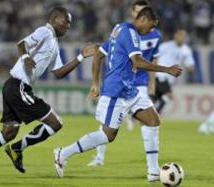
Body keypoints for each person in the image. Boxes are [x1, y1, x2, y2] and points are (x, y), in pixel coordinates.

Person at [54, 7, 182, 181]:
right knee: (107, 135)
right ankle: (63, 153)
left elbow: (99, 54)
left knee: (153, 120)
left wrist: (95, 83)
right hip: (116, 91)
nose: (150, 31)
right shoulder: (131, 33)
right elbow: (137, 61)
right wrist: (167, 69)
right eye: (150, 26)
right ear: (143, 19)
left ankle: (153, 172)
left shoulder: (119, 28)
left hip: (130, 90)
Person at [0, 7, 95, 177]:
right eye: (66, 21)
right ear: (54, 18)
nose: (68, 25)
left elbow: (58, 73)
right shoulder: (45, 32)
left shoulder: (54, 44)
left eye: (70, 22)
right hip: (18, 86)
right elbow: (22, 44)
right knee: (55, 123)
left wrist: (80, 57)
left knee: (8, 133)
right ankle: (17, 148)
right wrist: (25, 58)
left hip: (13, 87)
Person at [87, 0, 162, 177]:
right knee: (108, 127)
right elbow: (104, 52)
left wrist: (152, 82)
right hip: (120, 84)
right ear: (134, 13)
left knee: (151, 121)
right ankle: (99, 156)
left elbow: (154, 59)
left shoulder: (154, 34)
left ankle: (152, 168)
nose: (137, 15)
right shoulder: (124, 30)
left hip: (140, 83)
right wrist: (98, 82)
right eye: (136, 12)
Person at [154, 28, 195, 114]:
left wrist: (191, 69)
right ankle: (155, 116)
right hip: (161, 75)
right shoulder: (165, 46)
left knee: (155, 98)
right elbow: (155, 57)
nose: (182, 37)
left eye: (183, 35)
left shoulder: (186, 50)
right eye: (180, 35)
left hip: (170, 79)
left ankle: (137, 115)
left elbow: (190, 64)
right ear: (175, 35)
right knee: (169, 96)